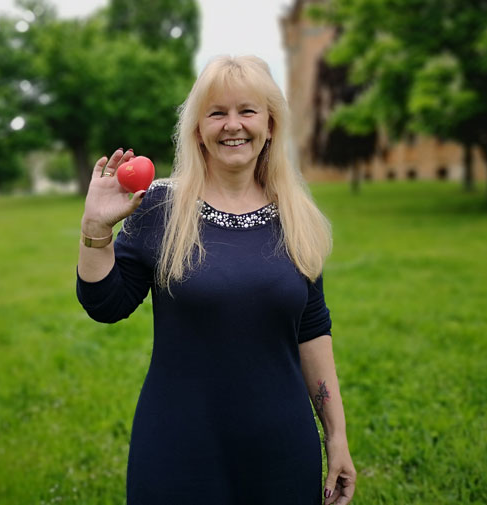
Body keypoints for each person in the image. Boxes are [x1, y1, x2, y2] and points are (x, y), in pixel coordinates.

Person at [77, 55, 356, 505]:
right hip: (177, 447)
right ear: (197, 129)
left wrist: (336, 436)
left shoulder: (297, 216)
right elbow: (105, 305)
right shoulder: (158, 206)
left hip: (281, 447)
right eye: (216, 113)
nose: (233, 126)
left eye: (247, 111)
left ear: (269, 124)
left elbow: (312, 330)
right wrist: (96, 229)